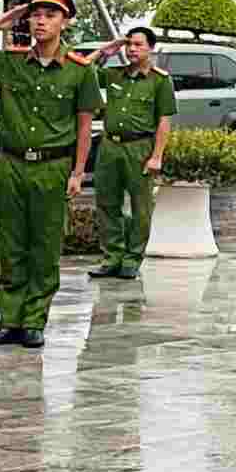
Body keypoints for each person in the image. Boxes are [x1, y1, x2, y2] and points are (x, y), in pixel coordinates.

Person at [0, 0, 101, 348]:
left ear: (64, 22)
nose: (40, 21)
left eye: (50, 14)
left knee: (45, 245)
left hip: (52, 167)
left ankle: (35, 320)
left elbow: (84, 126)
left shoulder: (80, 72)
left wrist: (78, 172)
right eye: (35, 14)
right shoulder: (10, 61)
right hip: (11, 164)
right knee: (12, 244)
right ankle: (11, 320)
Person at [88, 25, 174, 281]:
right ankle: (111, 257)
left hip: (140, 148)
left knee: (141, 206)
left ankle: (132, 258)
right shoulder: (114, 75)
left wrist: (157, 155)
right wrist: (107, 49)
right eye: (129, 45)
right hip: (109, 147)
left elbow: (164, 120)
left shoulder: (160, 80)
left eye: (138, 45)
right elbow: (82, 68)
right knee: (106, 203)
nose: (132, 49)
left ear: (151, 48)